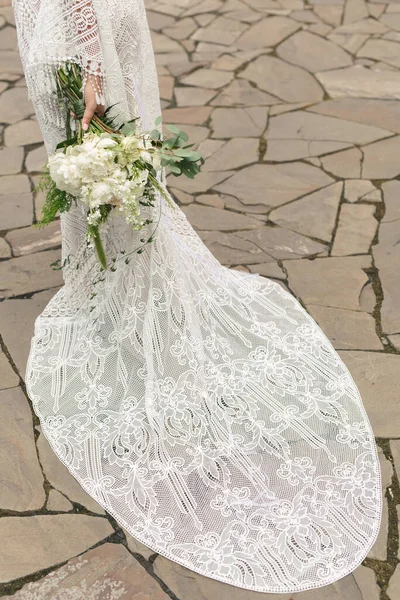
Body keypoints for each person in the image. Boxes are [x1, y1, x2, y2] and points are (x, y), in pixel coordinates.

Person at [12, 0, 381, 594]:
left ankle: (122, 279)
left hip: (83, 65)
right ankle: (115, 270)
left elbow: (79, 9)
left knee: (104, 173)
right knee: (110, 188)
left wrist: (92, 88)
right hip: (86, 51)